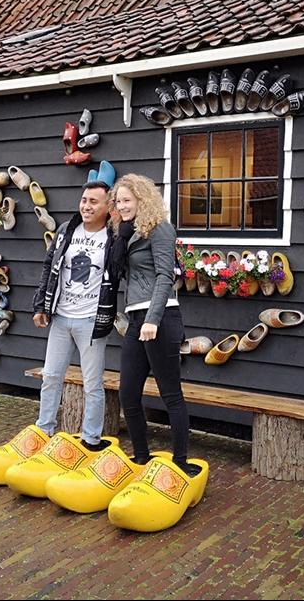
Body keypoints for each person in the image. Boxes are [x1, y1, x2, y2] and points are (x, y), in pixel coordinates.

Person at [110, 173, 200, 477]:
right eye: (118, 201)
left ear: (142, 199)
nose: (121, 205)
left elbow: (166, 276)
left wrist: (153, 318)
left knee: (170, 393)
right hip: (136, 319)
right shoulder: (127, 233)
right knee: (128, 393)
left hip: (159, 319)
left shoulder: (160, 229)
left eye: (127, 200)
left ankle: (180, 462)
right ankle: (142, 457)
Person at [32, 180, 118, 452]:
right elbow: (49, 266)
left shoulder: (115, 237)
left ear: (108, 206)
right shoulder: (66, 230)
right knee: (51, 376)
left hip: (92, 322)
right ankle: (43, 431)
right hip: (60, 317)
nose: (86, 206)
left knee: (93, 384)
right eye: (84, 200)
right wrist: (40, 305)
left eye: (94, 201)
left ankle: (90, 439)